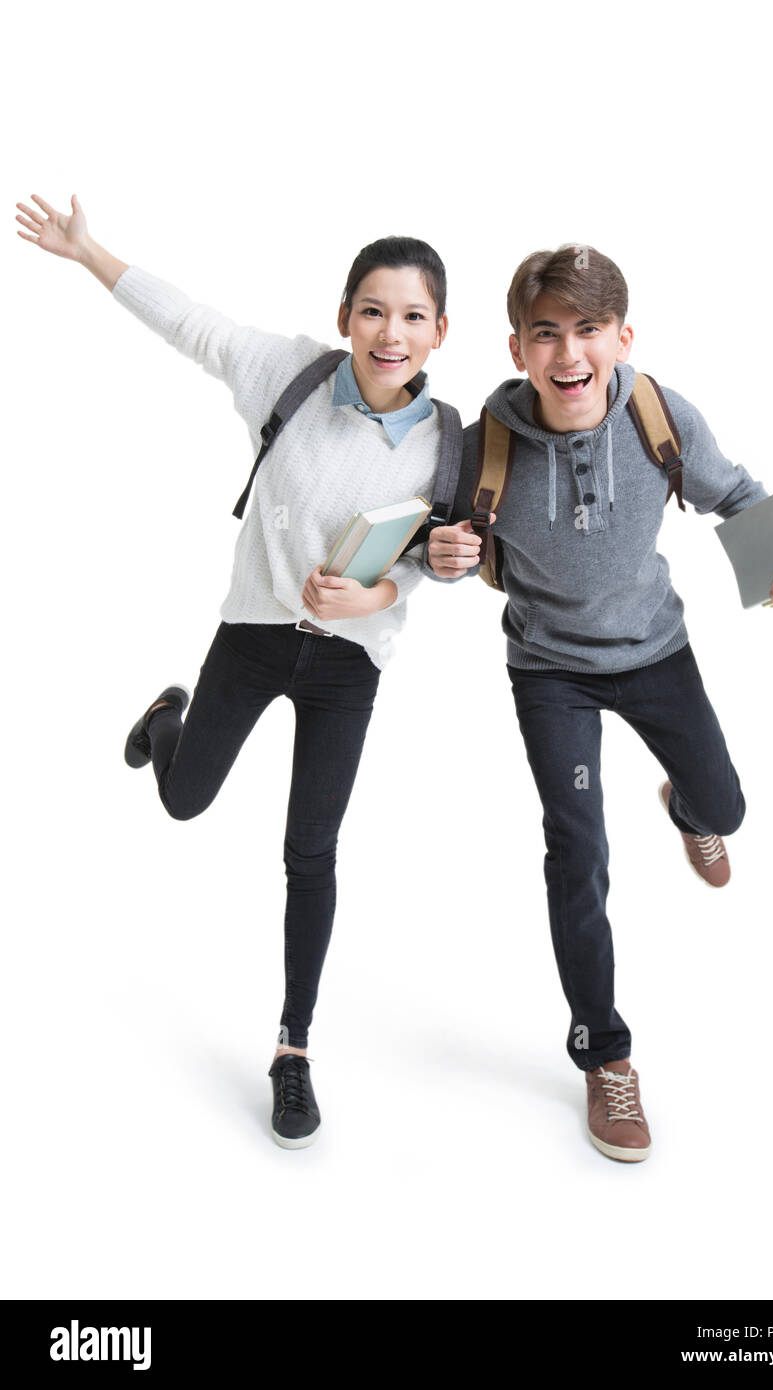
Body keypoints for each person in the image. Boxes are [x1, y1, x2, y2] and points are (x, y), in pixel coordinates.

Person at [16, 191, 455, 1150]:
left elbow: (428, 560)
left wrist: (378, 599)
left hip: (350, 667)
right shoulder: (289, 374)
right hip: (253, 636)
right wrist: (91, 253)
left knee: (312, 853)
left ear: (439, 331)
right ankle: (167, 711)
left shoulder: (448, 440)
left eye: (412, 315)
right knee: (181, 802)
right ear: (345, 318)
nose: (391, 332)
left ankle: (293, 1049)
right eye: (373, 310)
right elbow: (191, 323)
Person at [424, 243, 773, 1163]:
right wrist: (442, 559)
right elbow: (445, 545)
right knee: (578, 848)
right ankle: (606, 1053)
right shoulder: (483, 442)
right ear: (518, 346)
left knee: (727, 805)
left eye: (589, 330)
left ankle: (688, 810)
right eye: (548, 333)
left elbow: (736, 496)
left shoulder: (658, 416)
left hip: (656, 648)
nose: (570, 354)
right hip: (549, 671)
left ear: (622, 335)